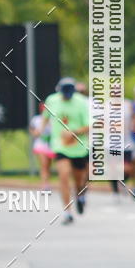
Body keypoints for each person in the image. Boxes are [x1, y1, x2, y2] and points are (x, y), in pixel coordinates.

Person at [42, 78, 90, 225]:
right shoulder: (52, 100)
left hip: (79, 147)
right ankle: (68, 212)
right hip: (60, 146)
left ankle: (80, 195)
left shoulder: (81, 102)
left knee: (79, 180)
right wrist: (41, 130)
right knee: (63, 175)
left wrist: (73, 133)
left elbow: (89, 125)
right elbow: (45, 118)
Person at [29, 102, 55, 190]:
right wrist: (36, 133)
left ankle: (47, 182)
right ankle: (44, 184)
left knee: (48, 165)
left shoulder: (53, 120)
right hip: (40, 145)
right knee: (44, 164)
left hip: (50, 146)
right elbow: (32, 130)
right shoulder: (36, 119)